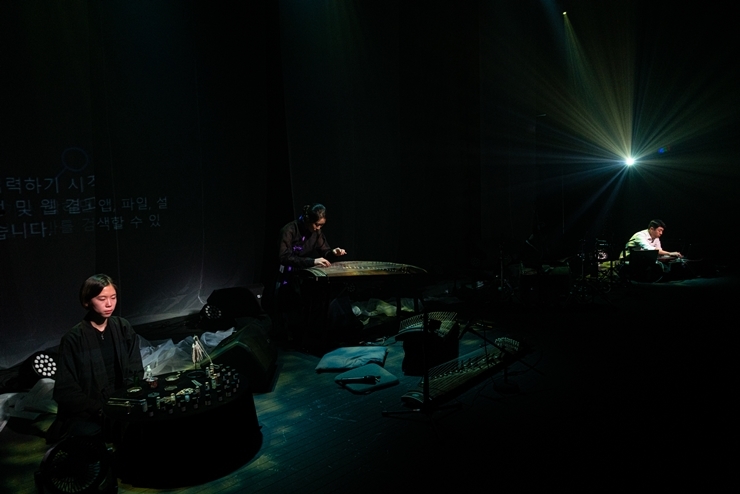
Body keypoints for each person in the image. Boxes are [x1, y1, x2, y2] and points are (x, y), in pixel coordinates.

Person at [48, 274, 143, 442]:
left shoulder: (123, 327)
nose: (109, 304)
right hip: (91, 409)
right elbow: (66, 389)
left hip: (123, 399)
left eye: (113, 297)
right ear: (87, 301)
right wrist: (99, 408)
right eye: (102, 299)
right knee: (94, 436)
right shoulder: (73, 338)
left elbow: (135, 368)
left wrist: (127, 397)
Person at [275, 203, 347, 340]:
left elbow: (324, 251)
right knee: (291, 310)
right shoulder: (289, 230)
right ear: (308, 220)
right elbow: (284, 257)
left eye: (321, 225)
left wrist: (333, 252)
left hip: (303, 274)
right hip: (288, 275)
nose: (318, 228)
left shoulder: (316, 232)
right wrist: (312, 262)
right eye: (316, 224)